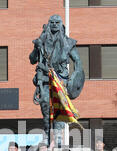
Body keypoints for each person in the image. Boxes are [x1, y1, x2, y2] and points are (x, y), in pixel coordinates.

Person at [29, 14, 85, 143]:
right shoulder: (40, 41)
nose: (54, 24)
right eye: (52, 22)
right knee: (45, 105)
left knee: (59, 107)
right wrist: (36, 48)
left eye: (57, 22)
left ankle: (58, 135)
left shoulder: (69, 43)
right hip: (44, 78)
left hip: (60, 79)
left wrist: (75, 77)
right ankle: (48, 133)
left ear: (61, 25)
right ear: (49, 24)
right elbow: (32, 60)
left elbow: (77, 61)